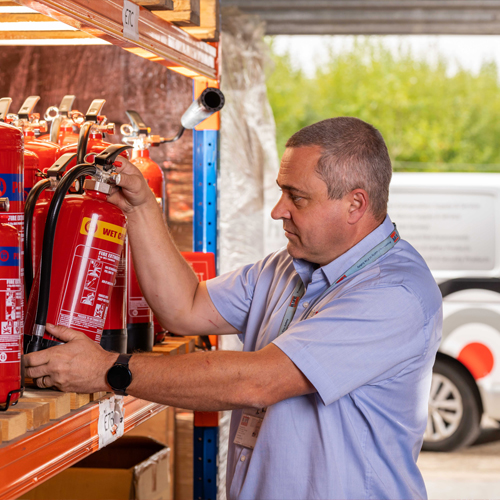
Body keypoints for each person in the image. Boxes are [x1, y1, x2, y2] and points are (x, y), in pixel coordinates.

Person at [25, 117, 442, 500]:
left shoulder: (395, 293)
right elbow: (185, 307)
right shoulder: (287, 267)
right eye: (282, 192)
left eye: (297, 198)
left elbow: (258, 382)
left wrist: (106, 369)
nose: (280, 210)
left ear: (355, 204)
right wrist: (139, 209)